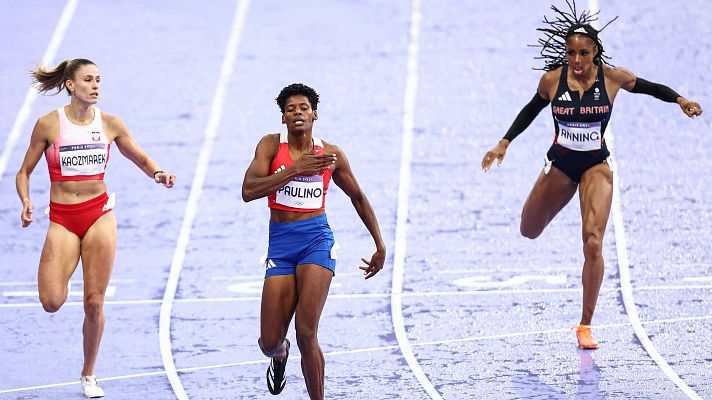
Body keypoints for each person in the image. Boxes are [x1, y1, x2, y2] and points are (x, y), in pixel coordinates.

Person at [481, 2, 702, 350]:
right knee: (528, 229)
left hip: (596, 165)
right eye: (571, 53)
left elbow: (649, 87)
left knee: (593, 242)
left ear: (595, 52)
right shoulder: (552, 81)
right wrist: (503, 143)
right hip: (560, 165)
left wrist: (680, 100)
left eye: (583, 53)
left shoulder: (613, 78)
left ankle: (585, 324)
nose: (577, 60)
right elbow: (530, 109)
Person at [15, 58, 176, 398]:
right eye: (88, 80)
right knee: (51, 301)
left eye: (99, 80)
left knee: (94, 301)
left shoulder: (110, 124)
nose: (96, 85)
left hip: (99, 215)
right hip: (62, 218)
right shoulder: (48, 125)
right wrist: (26, 201)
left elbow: (142, 159)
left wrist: (159, 174)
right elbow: (24, 172)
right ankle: (67, 266)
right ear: (71, 85)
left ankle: (89, 373)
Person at [242, 83, 386, 399]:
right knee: (268, 342)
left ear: (314, 115)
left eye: (303, 108)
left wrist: (379, 245)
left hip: (316, 241)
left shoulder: (330, 154)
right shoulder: (269, 146)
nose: (297, 112)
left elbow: (358, 197)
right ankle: (280, 356)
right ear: (283, 118)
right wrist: (294, 170)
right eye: (290, 109)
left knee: (307, 332)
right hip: (280, 246)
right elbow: (249, 191)